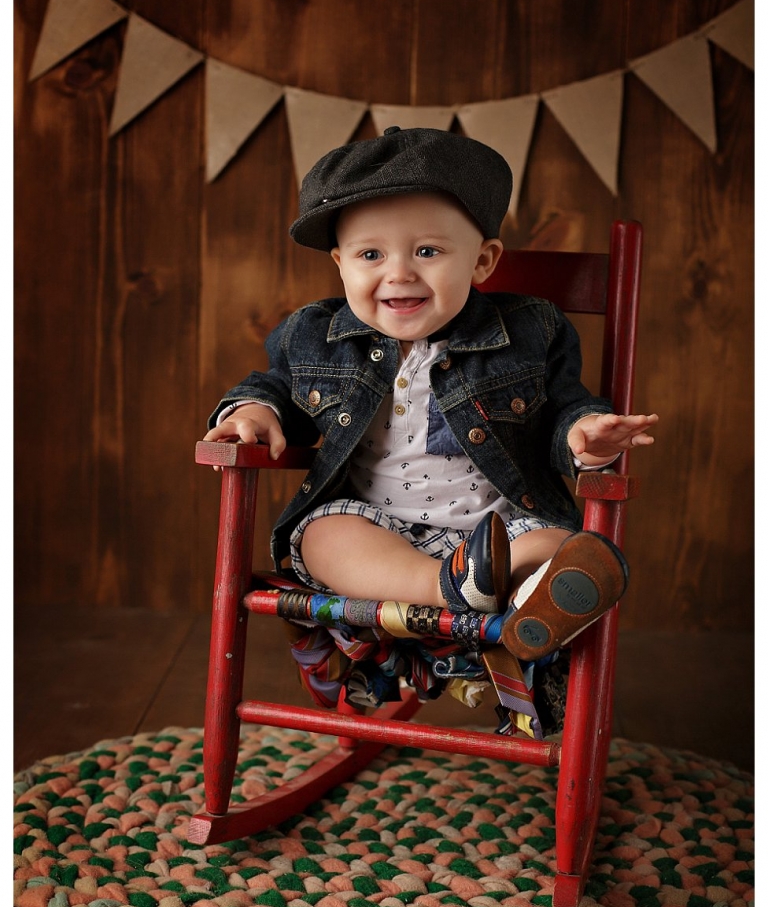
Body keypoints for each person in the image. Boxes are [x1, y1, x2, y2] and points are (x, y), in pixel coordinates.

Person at [204, 126, 657, 664]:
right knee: (323, 534)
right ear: (340, 264)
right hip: (379, 530)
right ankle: (449, 589)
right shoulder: (315, 335)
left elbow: (563, 407)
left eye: (427, 250)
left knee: (562, 547)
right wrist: (254, 411)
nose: (399, 273)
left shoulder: (528, 330)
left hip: (502, 527)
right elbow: (277, 385)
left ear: (483, 261)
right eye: (370, 254)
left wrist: (585, 438)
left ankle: (532, 603)